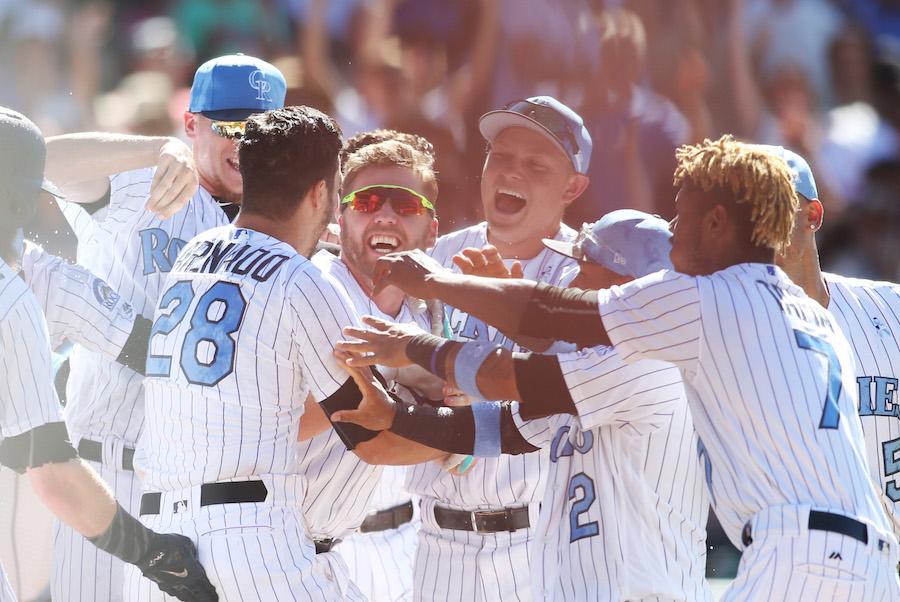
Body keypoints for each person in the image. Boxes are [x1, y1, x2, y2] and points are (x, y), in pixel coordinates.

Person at [336, 135, 900, 600]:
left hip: (782, 557)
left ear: (719, 223)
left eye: (684, 214)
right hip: (854, 555)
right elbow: (505, 426)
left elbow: (539, 342)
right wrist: (394, 415)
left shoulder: (695, 304)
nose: (676, 227)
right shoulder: (805, 312)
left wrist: (422, 320)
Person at [332, 210, 712, 600]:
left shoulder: (649, 361)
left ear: (628, 287)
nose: (572, 284)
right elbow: (498, 430)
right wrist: (398, 416)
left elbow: (507, 376)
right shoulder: (597, 362)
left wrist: (415, 343)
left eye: (585, 272)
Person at [127, 105, 400, 601]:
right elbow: (369, 427)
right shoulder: (302, 278)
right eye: (337, 191)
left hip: (156, 546)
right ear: (320, 192)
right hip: (247, 540)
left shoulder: (193, 251)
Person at [42, 53, 286, 602]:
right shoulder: (152, 184)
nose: (245, 142)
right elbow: (34, 159)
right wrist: (154, 149)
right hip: (108, 471)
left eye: (262, 129)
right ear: (192, 124)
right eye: (229, 126)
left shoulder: (284, 229)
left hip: (199, 497)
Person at [0, 107, 216, 602]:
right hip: (59, 484)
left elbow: (143, 347)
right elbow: (51, 470)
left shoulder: (39, 276)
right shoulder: (12, 295)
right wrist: (152, 554)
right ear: (17, 202)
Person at [407, 94, 590, 601]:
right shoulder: (438, 258)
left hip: (540, 544)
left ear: (573, 186)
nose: (512, 173)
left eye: (536, 164)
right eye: (502, 157)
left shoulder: (585, 275)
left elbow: (569, 398)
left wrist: (477, 397)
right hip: (436, 542)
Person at [300, 129, 445, 601]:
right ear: (337, 218)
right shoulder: (307, 291)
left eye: (405, 205)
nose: (385, 215)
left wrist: (460, 433)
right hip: (306, 551)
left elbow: (461, 454)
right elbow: (288, 424)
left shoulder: (437, 312)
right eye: (366, 202)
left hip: (408, 545)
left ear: (432, 229)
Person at [769, 145, 900, 541]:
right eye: (744, 213)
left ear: (812, 215)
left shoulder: (891, 308)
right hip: (805, 569)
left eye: (772, 207)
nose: (756, 225)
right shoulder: (732, 333)